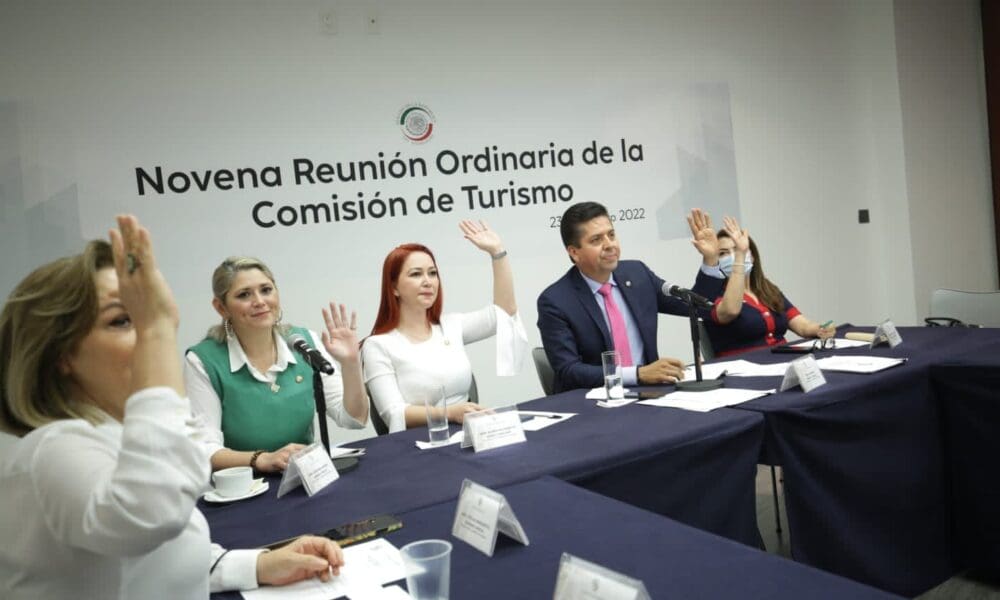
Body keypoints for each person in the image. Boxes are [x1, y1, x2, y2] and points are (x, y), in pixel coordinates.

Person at [0, 215, 346, 599]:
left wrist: (259, 565)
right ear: (60, 354)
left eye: (143, 318)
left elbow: (162, 554)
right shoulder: (52, 450)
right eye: (122, 320)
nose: (147, 332)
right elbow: (153, 514)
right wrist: (158, 328)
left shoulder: (114, 438)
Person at [185, 257, 368, 472]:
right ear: (221, 307)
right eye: (244, 295)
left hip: (306, 475)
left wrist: (350, 364)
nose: (259, 301)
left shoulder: (303, 342)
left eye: (266, 290)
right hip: (244, 483)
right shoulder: (203, 360)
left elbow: (353, 419)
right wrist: (261, 459)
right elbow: (204, 449)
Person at [537, 202, 723, 393]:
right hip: (594, 402)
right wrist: (637, 374)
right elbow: (569, 371)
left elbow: (696, 306)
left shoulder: (637, 274)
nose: (610, 245)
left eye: (611, 235)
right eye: (596, 240)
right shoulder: (556, 301)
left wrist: (711, 259)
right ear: (574, 252)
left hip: (650, 394)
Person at [362, 220, 527, 433]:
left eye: (432, 273)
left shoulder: (451, 325)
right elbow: (393, 413)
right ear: (394, 287)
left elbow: (504, 313)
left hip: (468, 432)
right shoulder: (377, 345)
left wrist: (497, 253)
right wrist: (448, 413)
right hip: (420, 440)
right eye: (416, 274)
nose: (428, 281)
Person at [687, 209, 835, 356]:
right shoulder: (712, 292)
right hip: (742, 366)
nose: (733, 256)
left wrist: (820, 329)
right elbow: (730, 311)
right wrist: (740, 255)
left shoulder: (767, 289)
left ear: (752, 256)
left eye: (738, 250)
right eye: (723, 253)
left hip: (783, 359)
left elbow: (802, 326)